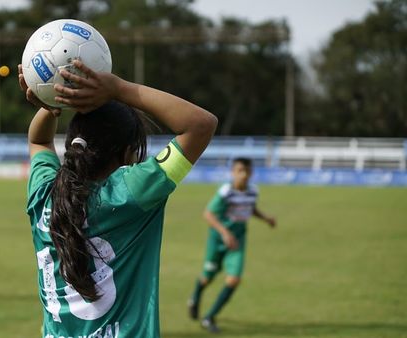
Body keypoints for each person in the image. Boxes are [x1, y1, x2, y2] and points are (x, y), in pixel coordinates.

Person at [20, 60, 218, 337]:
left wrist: (50, 103)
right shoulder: (132, 193)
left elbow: (39, 141)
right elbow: (201, 124)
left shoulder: (44, 194)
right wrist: (117, 87)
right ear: (128, 153)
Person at [188, 157, 277, 333]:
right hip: (218, 241)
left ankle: (209, 317)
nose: (243, 175)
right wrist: (225, 232)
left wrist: (266, 218)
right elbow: (208, 214)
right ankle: (195, 297)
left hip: (238, 241)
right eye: (240, 171)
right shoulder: (226, 191)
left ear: (251, 173)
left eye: (247, 171)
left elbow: (250, 208)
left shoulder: (252, 191)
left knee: (234, 279)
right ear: (233, 172)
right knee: (208, 277)